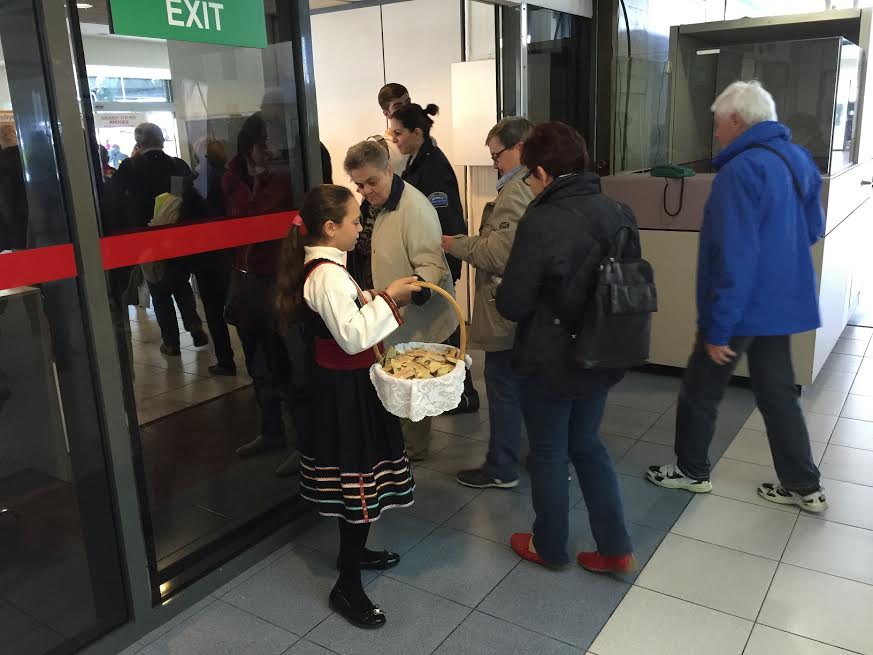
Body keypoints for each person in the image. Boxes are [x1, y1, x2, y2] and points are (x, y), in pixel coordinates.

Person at [647, 81, 828, 513]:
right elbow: (814, 228)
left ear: (736, 120)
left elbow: (733, 255)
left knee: (701, 390)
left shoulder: (740, 171)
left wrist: (719, 327)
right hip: (780, 305)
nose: (715, 133)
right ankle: (804, 486)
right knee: (778, 395)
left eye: (717, 123)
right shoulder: (797, 159)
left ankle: (691, 470)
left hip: (741, 308)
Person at [274, 184, 418, 629]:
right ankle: (348, 586)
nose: (360, 227)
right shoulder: (327, 276)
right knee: (358, 481)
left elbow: (343, 318)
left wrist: (374, 297)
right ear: (330, 227)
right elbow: (353, 336)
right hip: (343, 392)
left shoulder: (330, 268)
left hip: (345, 385)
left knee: (359, 480)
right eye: (355, 221)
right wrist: (390, 299)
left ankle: (353, 554)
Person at [496, 122, 636, 573]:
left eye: (530, 176)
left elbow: (513, 303)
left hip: (549, 358)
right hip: (602, 350)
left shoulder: (542, 220)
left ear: (541, 171)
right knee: (587, 444)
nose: (530, 185)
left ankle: (550, 545)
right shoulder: (619, 212)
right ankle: (615, 548)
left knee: (550, 451)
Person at [344, 140, 458, 461]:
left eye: (372, 182)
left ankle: (411, 455)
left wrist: (405, 294)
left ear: (388, 171)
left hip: (414, 316)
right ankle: (399, 448)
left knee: (412, 389)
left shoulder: (415, 208)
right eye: (359, 185)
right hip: (385, 310)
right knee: (395, 386)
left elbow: (432, 267)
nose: (366, 190)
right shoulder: (371, 203)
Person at [446, 117, 534, 489]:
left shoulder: (514, 192)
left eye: (498, 155)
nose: (494, 163)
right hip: (533, 309)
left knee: (502, 386)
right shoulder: (540, 183)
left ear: (520, 148)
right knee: (528, 388)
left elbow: (498, 256)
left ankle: (501, 467)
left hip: (507, 307)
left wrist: (455, 244)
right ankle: (543, 457)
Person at [223, 113, 302, 476]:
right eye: (263, 142)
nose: (270, 149)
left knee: (286, 365)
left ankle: (302, 445)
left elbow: (266, 221)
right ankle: (271, 432)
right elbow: (231, 222)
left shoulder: (284, 175)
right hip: (246, 279)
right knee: (257, 364)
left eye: (272, 141)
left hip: (278, 280)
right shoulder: (233, 177)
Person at [390, 102, 479, 414]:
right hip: (431, 259)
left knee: (446, 327)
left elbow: (443, 220)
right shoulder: (417, 161)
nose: (394, 139)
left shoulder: (433, 168)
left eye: (398, 133)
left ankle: (463, 392)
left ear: (417, 132)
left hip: (439, 260)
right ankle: (455, 390)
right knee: (442, 327)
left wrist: (445, 267)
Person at [104, 123, 209, 357]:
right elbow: (184, 197)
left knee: (159, 289)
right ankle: (192, 322)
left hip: (147, 237)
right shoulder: (176, 164)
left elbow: (115, 197)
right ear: (161, 140)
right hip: (177, 235)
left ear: (138, 143)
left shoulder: (130, 167)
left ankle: (171, 342)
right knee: (180, 281)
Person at [190, 138, 236, 376]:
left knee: (214, 311)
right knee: (237, 306)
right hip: (231, 252)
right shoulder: (231, 177)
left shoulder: (197, 180)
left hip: (207, 255)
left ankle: (225, 360)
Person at [0, 123, 28, 251]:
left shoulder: (3, 162)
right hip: (33, 217)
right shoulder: (26, 156)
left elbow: (5, 197)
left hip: (13, 222)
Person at [377, 83, 412, 174]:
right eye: (398, 106)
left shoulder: (426, 140)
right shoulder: (376, 146)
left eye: (408, 102)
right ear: (387, 113)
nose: (406, 109)